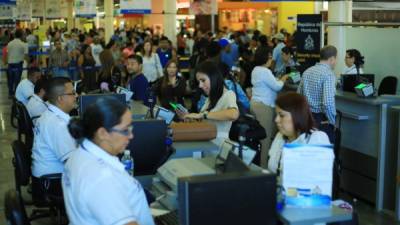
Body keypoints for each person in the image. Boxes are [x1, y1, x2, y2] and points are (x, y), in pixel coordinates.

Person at [64, 97, 155, 225]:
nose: (131, 135)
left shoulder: (79, 155)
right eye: (125, 130)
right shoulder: (102, 178)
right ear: (102, 133)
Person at [31, 77, 77, 201]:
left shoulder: (48, 115)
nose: (76, 96)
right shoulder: (58, 124)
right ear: (60, 98)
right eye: (72, 93)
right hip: (52, 183)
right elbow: (72, 162)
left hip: (43, 178)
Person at [178, 60, 239, 146]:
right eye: (199, 82)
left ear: (213, 77)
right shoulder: (210, 98)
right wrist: (190, 119)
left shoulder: (228, 94)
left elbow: (234, 114)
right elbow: (206, 123)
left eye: (203, 80)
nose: (200, 85)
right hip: (206, 143)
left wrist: (202, 115)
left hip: (218, 146)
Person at [267, 92, 330, 174]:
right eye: (276, 115)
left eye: (281, 115)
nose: (276, 120)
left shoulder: (317, 139)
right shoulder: (280, 136)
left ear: (297, 115)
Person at [250, 46, 288, 167]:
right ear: (265, 58)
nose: (272, 60)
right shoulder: (265, 71)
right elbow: (277, 87)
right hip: (264, 107)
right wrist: (283, 78)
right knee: (265, 140)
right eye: (270, 57)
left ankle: (257, 165)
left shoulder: (255, 70)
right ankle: (263, 168)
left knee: (258, 138)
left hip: (255, 104)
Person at [298, 45, 337, 143]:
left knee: (308, 146)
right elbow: (327, 103)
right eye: (336, 59)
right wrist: (332, 121)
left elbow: (298, 95)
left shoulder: (307, 71)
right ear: (332, 59)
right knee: (323, 150)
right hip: (320, 119)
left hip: (306, 116)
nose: (336, 62)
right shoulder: (328, 74)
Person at [7, 29, 28, 97]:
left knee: (11, 80)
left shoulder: (9, 43)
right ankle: (16, 94)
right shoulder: (23, 44)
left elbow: (8, 54)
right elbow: (26, 56)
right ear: (21, 35)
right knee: (17, 80)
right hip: (18, 64)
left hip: (10, 65)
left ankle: (10, 93)